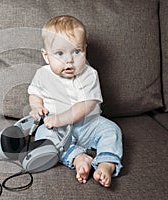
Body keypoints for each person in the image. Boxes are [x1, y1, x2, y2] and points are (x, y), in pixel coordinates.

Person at [28, 15, 123, 187]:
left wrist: (62, 118)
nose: (69, 60)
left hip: (88, 124)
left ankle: (107, 162)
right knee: (43, 136)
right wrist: (36, 107)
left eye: (77, 51)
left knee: (111, 129)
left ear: (85, 49)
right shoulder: (42, 74)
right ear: (46, 56)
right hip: (58, 128)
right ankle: (79, 157)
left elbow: (86, 105)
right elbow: (35, 94)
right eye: (59, 53)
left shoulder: (89, 74)